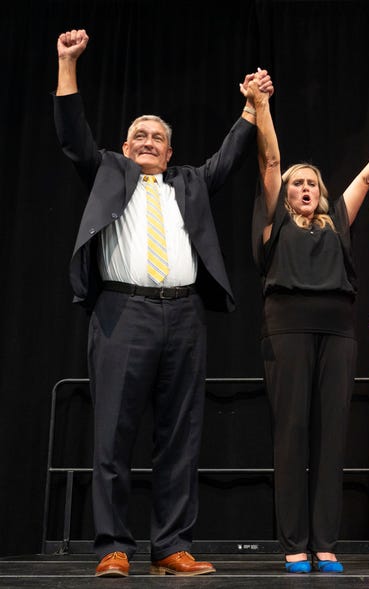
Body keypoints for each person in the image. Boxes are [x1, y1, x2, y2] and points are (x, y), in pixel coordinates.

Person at [53, 29, 273, 577]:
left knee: (180, 433)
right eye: (139, 136)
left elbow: (229, 156)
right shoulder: (107, 169)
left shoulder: (190, 182)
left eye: (157, 137)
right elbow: (72, 135)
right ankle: (111, 546)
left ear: (170, 151)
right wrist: (67, 64)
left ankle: (171, 544)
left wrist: (250, 107)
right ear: (126, 147)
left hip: (183, 316)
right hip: (121, 313)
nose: (148, 141)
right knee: (112, 432)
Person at [246, 82, 369, 572]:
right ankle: (295, 543)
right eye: (298, 183)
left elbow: (366, 176)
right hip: (287, 328)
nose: (304, 189)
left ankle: (325, 542)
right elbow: (272, 162)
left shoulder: (337, 220)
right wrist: (263, 107)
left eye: (312, 184)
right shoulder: (275, 221)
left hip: (338, 331)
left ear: (321, 193)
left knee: (331, 435)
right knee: (293, 433)